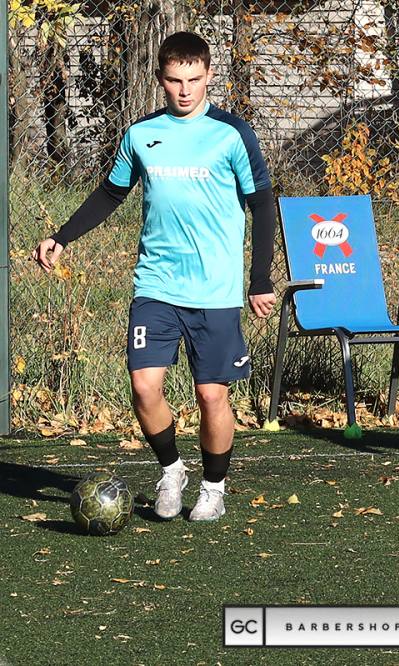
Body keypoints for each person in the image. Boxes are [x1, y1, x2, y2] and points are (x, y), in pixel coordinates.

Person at [32, 32, 277, 521]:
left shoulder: (232, 133)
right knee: (144, 387)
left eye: (194, 80)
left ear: (209, 75)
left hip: (215, 290)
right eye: (174, 81)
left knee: (211, 395)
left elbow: (263, 203)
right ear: (161, 79)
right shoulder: (142, 133)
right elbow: (111, 193)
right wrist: (62, 236)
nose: (185, 90)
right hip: (156, 285)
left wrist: (259, 278)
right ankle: (171, 471)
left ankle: (213, 487)